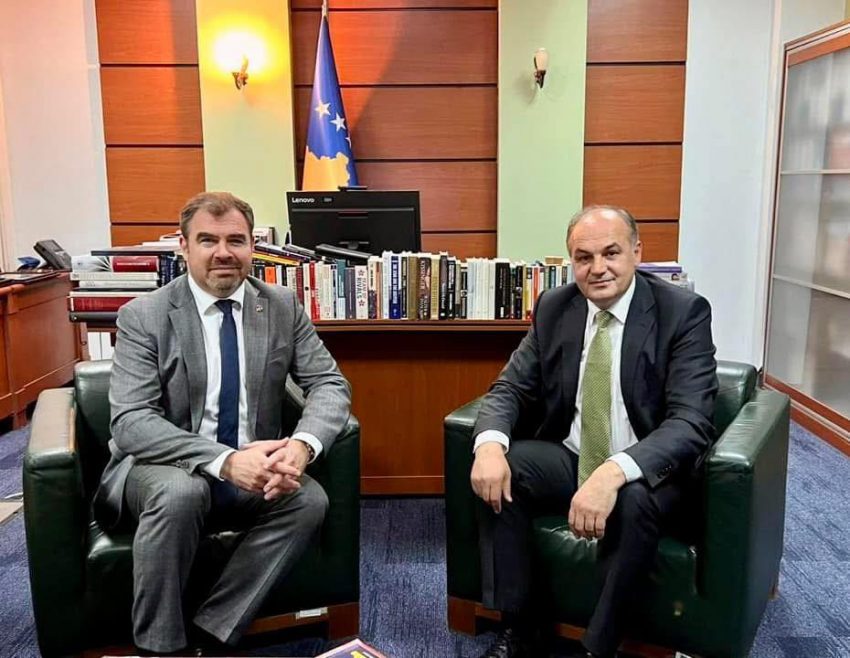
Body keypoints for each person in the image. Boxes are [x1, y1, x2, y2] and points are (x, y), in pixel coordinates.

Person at [93, 191, 351, 655]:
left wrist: (301, 446)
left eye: (236, 240)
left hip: (253, 469)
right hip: (162, 468)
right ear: (184, 246)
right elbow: (131, 422)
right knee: (182, 492)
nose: (223, 253)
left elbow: (329, 384)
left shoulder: (281, 305)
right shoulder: (145, 315)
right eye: (207, 240)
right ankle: (159, 647)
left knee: (308, 499)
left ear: (253, 247)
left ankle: (212, 632)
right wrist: (225, 461)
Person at [470, 206, 718, 658]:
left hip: (649, 471)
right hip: (574, 455)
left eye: (611, 253)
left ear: (637, 252)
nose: (597, 268)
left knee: (634, 498)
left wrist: (614, 472)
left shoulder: (682, 312)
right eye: (584, 257)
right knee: (506, 470)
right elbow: (510, 387)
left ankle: (597, 648)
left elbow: (691, 421)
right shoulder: (555, 307)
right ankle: (520, 627)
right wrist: (488, 446)